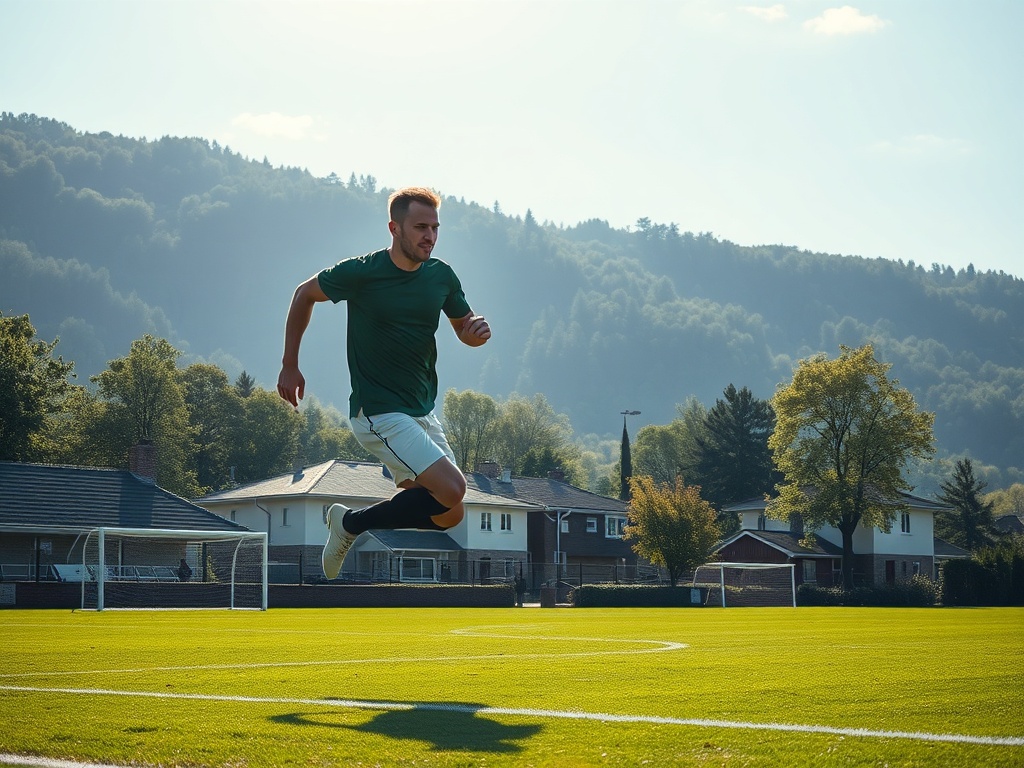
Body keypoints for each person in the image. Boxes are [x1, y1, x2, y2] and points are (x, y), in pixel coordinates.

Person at [276, 186, 491, 579]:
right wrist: (290, 363)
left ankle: (349, 524)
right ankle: (349, 525)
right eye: (420, 227)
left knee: (450, 513)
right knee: (454, 489)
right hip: (378, 411)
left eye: (435, 228)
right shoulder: (362, 273)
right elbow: (304, 293)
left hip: (422, 411)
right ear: (394, 228)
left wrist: (473, 332)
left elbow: (463, 325)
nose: (430, 236)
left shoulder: (441, 275)